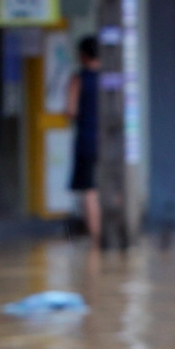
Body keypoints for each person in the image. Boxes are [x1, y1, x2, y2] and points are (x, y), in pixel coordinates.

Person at [65, 35, 101, 242]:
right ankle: (112, 232)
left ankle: (96, 238)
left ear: (83, 56)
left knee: (90, 189)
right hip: (110, 140)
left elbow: (70, 110)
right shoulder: (109, 78)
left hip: (87, 138)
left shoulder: (78, 79)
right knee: (111, 185)